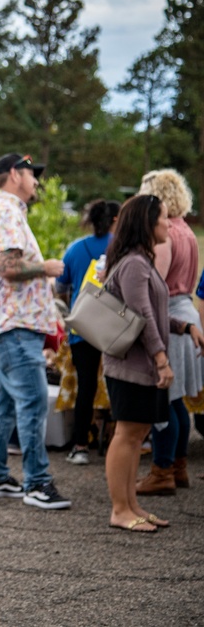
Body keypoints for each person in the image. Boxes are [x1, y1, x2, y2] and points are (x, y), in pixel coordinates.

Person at [0, 153, 72, 510]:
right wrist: (46, 267)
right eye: (32, 174)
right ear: (14, 174)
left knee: (3, 400)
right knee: (30, 401)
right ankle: (37, 483)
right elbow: (8, 266)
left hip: (3, 323)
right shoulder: (6, 210)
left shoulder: (0, 209)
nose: (36, 182)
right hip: (14, 324)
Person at [101, 195, 178, 532]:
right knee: (128, 435)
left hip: (140, 366)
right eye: (163, 217)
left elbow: (155, 312)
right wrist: (161, 360)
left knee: (137, 434)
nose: (168, 224)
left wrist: (186, 327)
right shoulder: (134, 264)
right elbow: (142, 315)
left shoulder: (140, 261)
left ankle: (132, 505)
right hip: (132, 367)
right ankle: (120, 509)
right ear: (147, 223)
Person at [135, 169, 204, 494]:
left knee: (165, 398)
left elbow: (155, 287)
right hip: (185, 311)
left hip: (169, 316)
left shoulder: (165, 236)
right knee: (176, 400)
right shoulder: (187, 231)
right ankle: (177, 467)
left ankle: (163, 469)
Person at [55, 199, 121, 465]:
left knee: (86, 387)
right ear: (115, 219)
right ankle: (120, 444)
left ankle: (80, 445)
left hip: (82, 329)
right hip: (115, 330)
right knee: (117, 386)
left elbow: (60, 288)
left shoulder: (74, 249)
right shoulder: (121, 245)